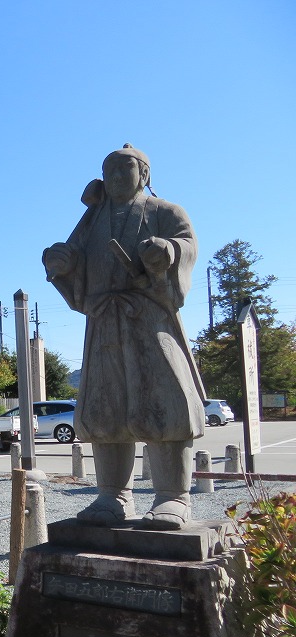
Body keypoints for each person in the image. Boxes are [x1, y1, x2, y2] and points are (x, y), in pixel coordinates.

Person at [43, 144, 204, 530]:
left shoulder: (164, 211)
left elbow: (187, 245)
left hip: (149, 318)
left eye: (124, 168)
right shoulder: (92, 219)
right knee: (105, 410)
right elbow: (74, 261)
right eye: (109, 170)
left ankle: (172, 497)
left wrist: (168, 251)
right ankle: (112, 496)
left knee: (165, 402)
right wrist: (60, 262)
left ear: (144, 174)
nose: (115, 176)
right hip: (104, 322)